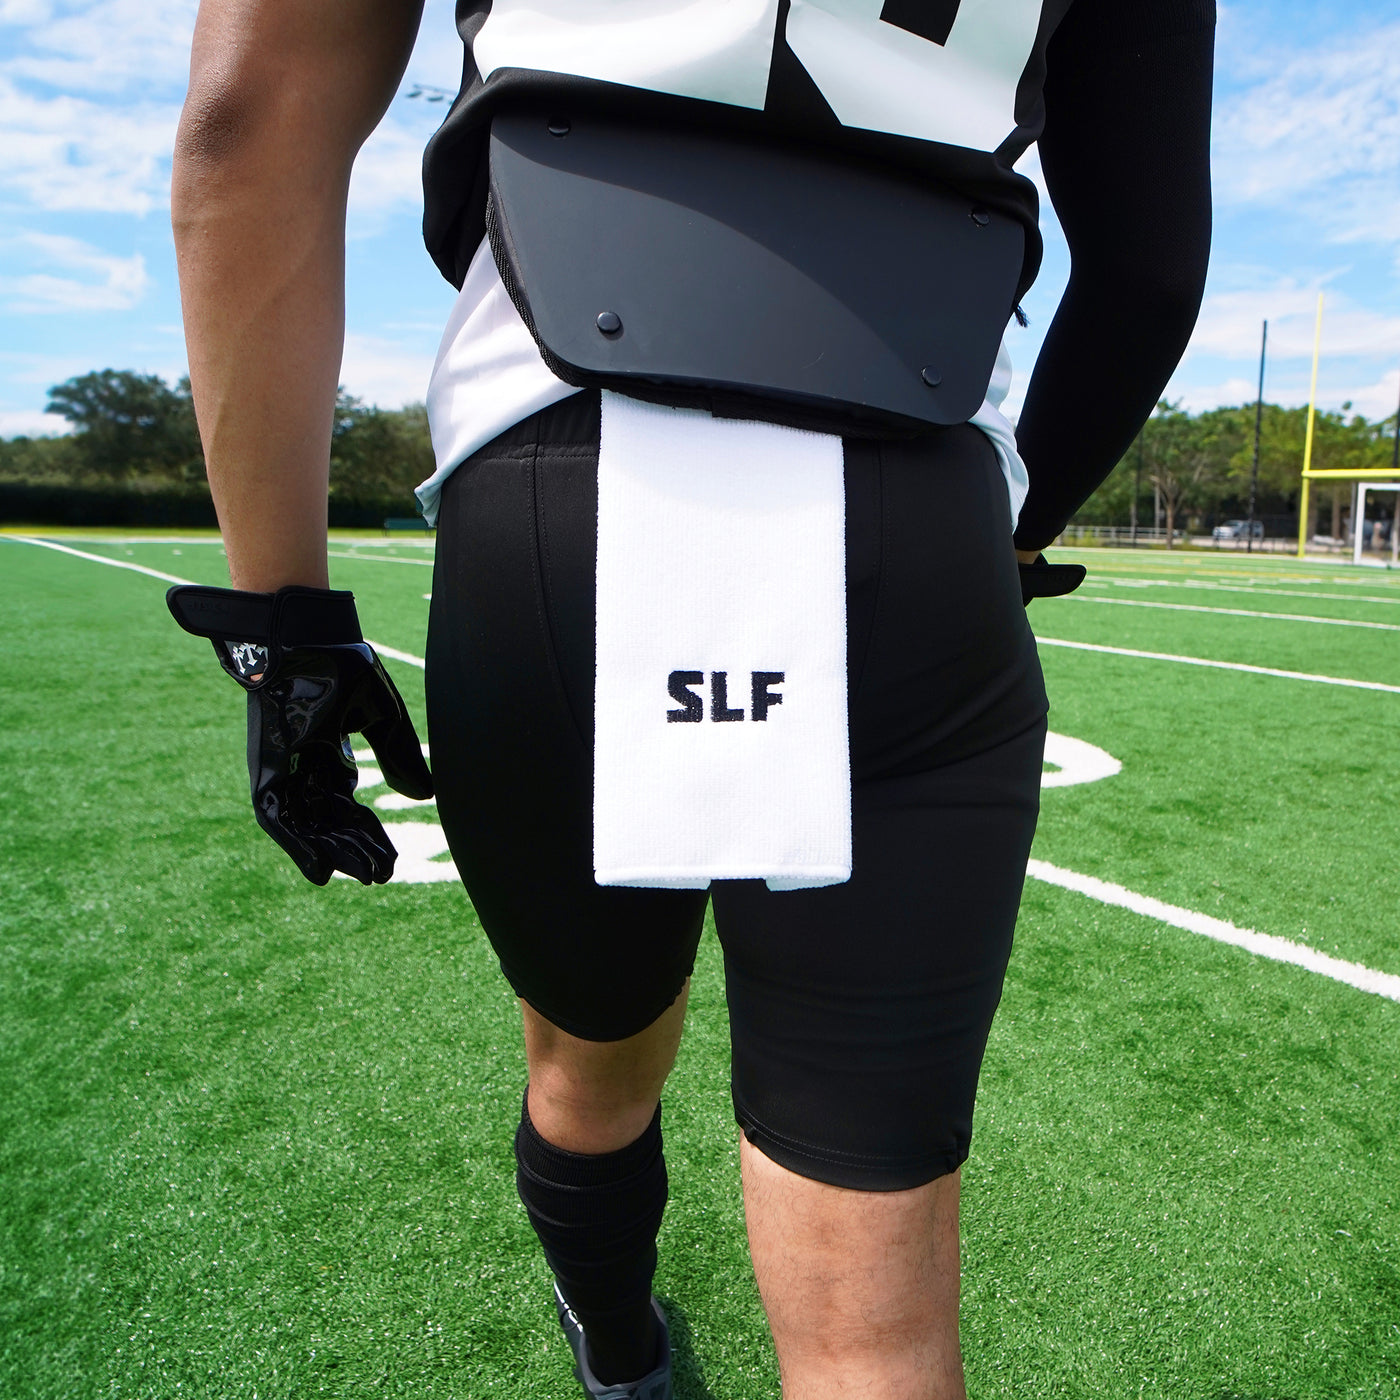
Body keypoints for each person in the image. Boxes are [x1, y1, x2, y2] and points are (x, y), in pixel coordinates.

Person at [169, 1, 1214, 1396]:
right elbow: (1146, 272)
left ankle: (618, 1347)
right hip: (917, 481)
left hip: (557, 461)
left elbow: (249, 124)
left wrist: (283, 623)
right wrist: (1005, 543)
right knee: (875, 1326)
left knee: (590, 1067)